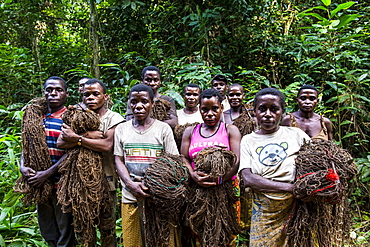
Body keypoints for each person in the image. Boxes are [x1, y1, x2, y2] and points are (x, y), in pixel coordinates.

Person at [239, 88, 310, 246]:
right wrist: (291, 188)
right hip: (264, 210)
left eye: (274, 109)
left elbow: (316, 162)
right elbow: (248, 178)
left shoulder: (296, 135)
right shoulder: (248, 140)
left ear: (283, 112)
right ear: (255, 112)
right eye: (262, 109)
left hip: (296, 208)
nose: (268, 114)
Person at [57, 79, 125, 246]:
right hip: (79, 183)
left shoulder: (114, 118)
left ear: (105, 96)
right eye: (86, 94)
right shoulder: (75, 116)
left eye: (96, 94)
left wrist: (76, 137)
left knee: (107, 229)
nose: (91, 98)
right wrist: (89, 136)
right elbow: (61, 142)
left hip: (106, 181)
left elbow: (107, 145)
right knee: (84, 229)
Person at [114, 84, 180, 247]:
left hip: (159, 196)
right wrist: (130, 184)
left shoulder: (163, 129)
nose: (139, 106)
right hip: (131, 195)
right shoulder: (121, 129)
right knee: (132, 241)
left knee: (163, 240)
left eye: (144, 101)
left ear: (152, 103)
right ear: (129, 103)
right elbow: (118, 159)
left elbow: (173, 161)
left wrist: (154, 186)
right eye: (134, 101)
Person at [19, 76, 75, 247]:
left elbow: (74, 153)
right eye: (49, 90)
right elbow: (26, 146)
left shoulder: (71, 118)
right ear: (44, 93)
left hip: (62, 185)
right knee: (48, 231)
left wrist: (47, 173)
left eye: (58, 90)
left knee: (65, 233)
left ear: (66, 93)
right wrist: (22, 166)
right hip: (40, 185)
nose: (53, 93)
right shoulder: (35, 118)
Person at [181, 88, 241, 245]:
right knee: (200, 231)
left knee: (227, 232)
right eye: (205, 109)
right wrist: (193, 175)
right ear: (199, 109)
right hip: (197, 190)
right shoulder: (190, 131)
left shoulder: (230, 130)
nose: (210, 114)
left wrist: (220, 179)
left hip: (226, 188)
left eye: (214, 109)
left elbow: (236, 161)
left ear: (221, 107)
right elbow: (184, 157)